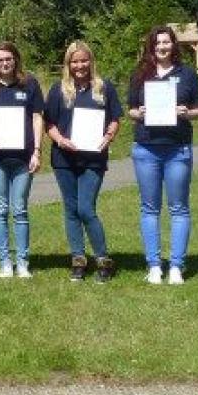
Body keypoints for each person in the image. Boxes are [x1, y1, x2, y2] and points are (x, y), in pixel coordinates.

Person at [126, 26, 198, 284]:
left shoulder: (188, 75)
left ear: (174, 45)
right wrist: (141, 113)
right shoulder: (140, 75)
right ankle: (155, 265)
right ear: (151, 46)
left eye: (166, 42)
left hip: (177, 149)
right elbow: (131, 111)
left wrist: (185, 112)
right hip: (146, 148)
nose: (162, 47)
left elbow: (197, 110)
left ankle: (177, 266)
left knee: (179, 207)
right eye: (158, 43)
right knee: (149, 208)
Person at [45, 41, 122, 282]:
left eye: (84, 60)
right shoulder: (59, 90)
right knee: (70, 210)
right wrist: (60, 140)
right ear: (68, 64)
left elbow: (115, 118)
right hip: (64, 158)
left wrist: (108, 137)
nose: (80, 65)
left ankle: (103, 260)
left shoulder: (103, 88)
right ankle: (78, 260)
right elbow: (49, 123)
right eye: (75, 61)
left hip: (93, 159)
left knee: (86, 208)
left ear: (91, 61)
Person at [0, 41, 45, 278]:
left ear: (15, 59)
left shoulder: (30, 84)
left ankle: (23, 262)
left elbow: (37, 118)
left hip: (24, 159)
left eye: (8, 58)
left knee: (20, 210)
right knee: (0, 210)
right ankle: (5, 261)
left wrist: (37, 151)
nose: (4, 63)